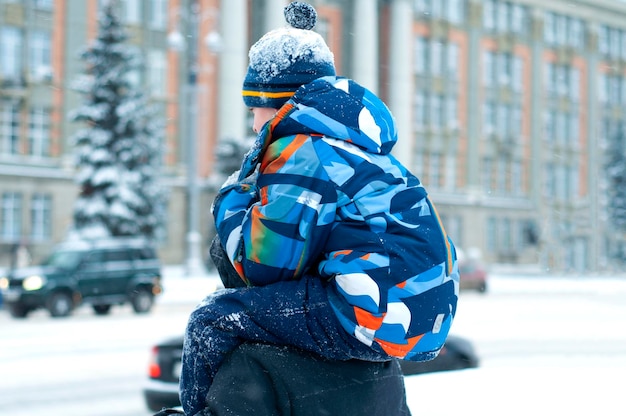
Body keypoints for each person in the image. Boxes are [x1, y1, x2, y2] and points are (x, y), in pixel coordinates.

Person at [179, 3, 459, 415]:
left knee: (212, 318)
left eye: (254, 109)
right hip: (416, 314)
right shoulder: (358, 148)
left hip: (371, 310)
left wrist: (231, 196)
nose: (255, 125)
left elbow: (263, 266)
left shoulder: (303, 149)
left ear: (272, 101)